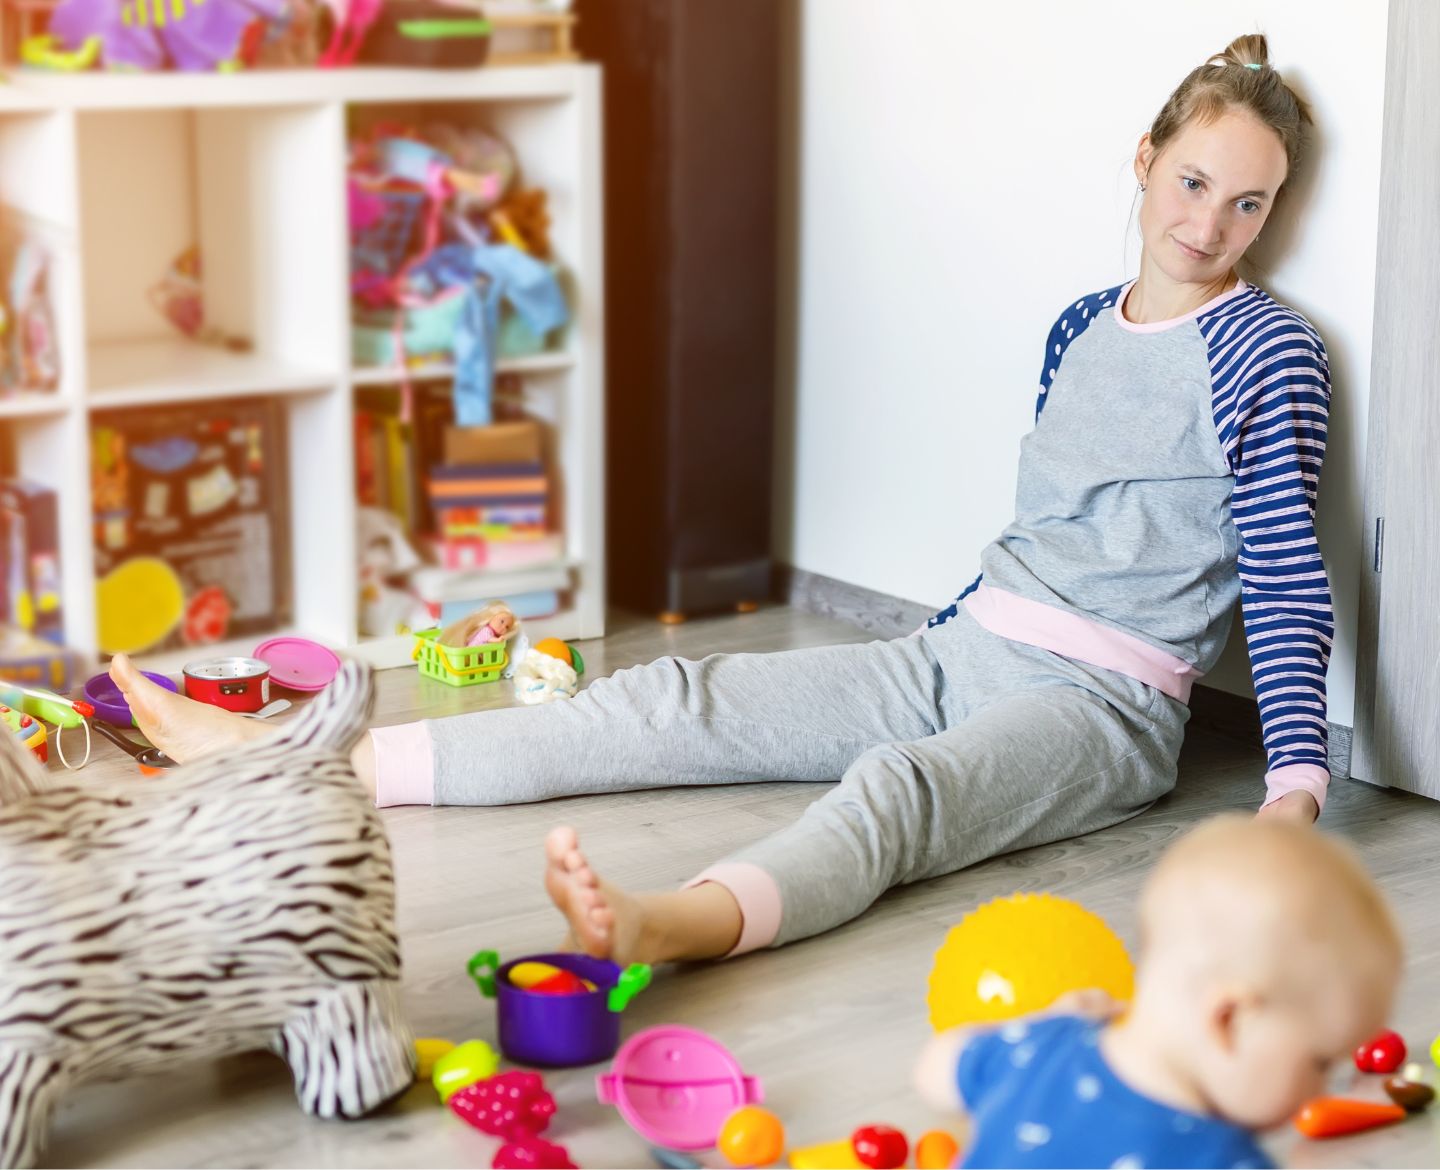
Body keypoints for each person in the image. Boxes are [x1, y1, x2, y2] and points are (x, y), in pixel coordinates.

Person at [108, 33, 1333, 968]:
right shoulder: (1079, 325)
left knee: (899, 794)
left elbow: (1284, 573)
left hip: (1103, 706)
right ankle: (302, 760)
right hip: (964, 650)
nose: (1209, 223)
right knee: (668, 696)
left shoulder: (1264, 350)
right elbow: (1048, 527)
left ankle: (671, 924)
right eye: (1191, 181)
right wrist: (949, 634)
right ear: (1144, 160)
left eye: (1248, 203)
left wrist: (1293, 789)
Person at [912, 816, 1403, 1169]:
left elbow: (934, 1070)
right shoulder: (1222, 1160)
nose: (1320, 1092)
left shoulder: (1035, 1048)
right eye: (1319, 1063)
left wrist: (1043, 1024)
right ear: (1228, 1019)